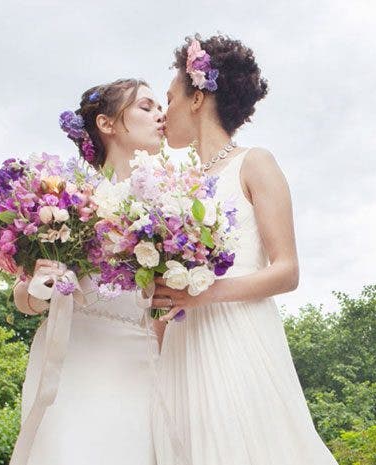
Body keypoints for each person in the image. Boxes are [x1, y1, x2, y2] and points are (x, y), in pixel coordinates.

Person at [150, 34, 339, 464]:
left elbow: (287, 271)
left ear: (197, 97)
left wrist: (205, 293)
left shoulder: (255, 162)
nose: (165, 112)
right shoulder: (175, 186)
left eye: (170, 97)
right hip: (182, 348)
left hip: (237, 338)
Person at [11, 78, 165, 465]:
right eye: (146, 107)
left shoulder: (174, 203)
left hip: (143, 359)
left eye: (160, 107)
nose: (160, 114)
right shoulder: (66, 196)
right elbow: (24, 299)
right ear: (107, 123)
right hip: (75, 354)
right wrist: (40, 285)